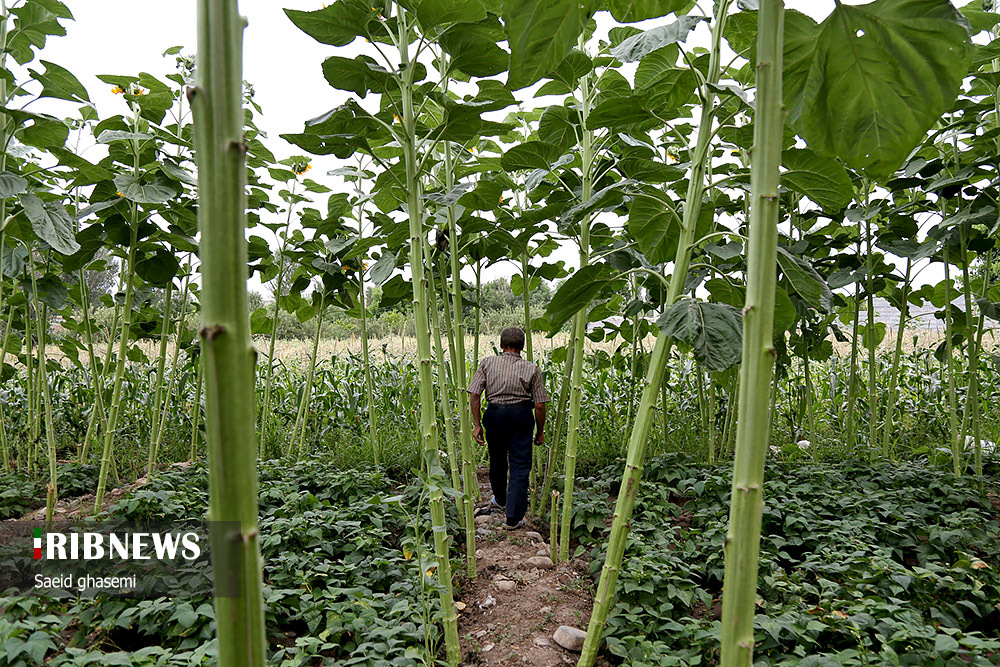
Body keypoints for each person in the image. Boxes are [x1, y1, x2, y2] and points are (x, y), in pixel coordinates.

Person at [467, 326, 548, 530]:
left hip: (494, 415)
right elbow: (539, 405)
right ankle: (513, 518)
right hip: (521, 416)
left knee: (497, 458)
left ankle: (501, 500)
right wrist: (539, 431)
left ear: (501, 345)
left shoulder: (487, 362)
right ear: (522, 347)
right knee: (520, 465)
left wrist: (477, 425)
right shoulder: (532, 368)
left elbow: (475, 395)